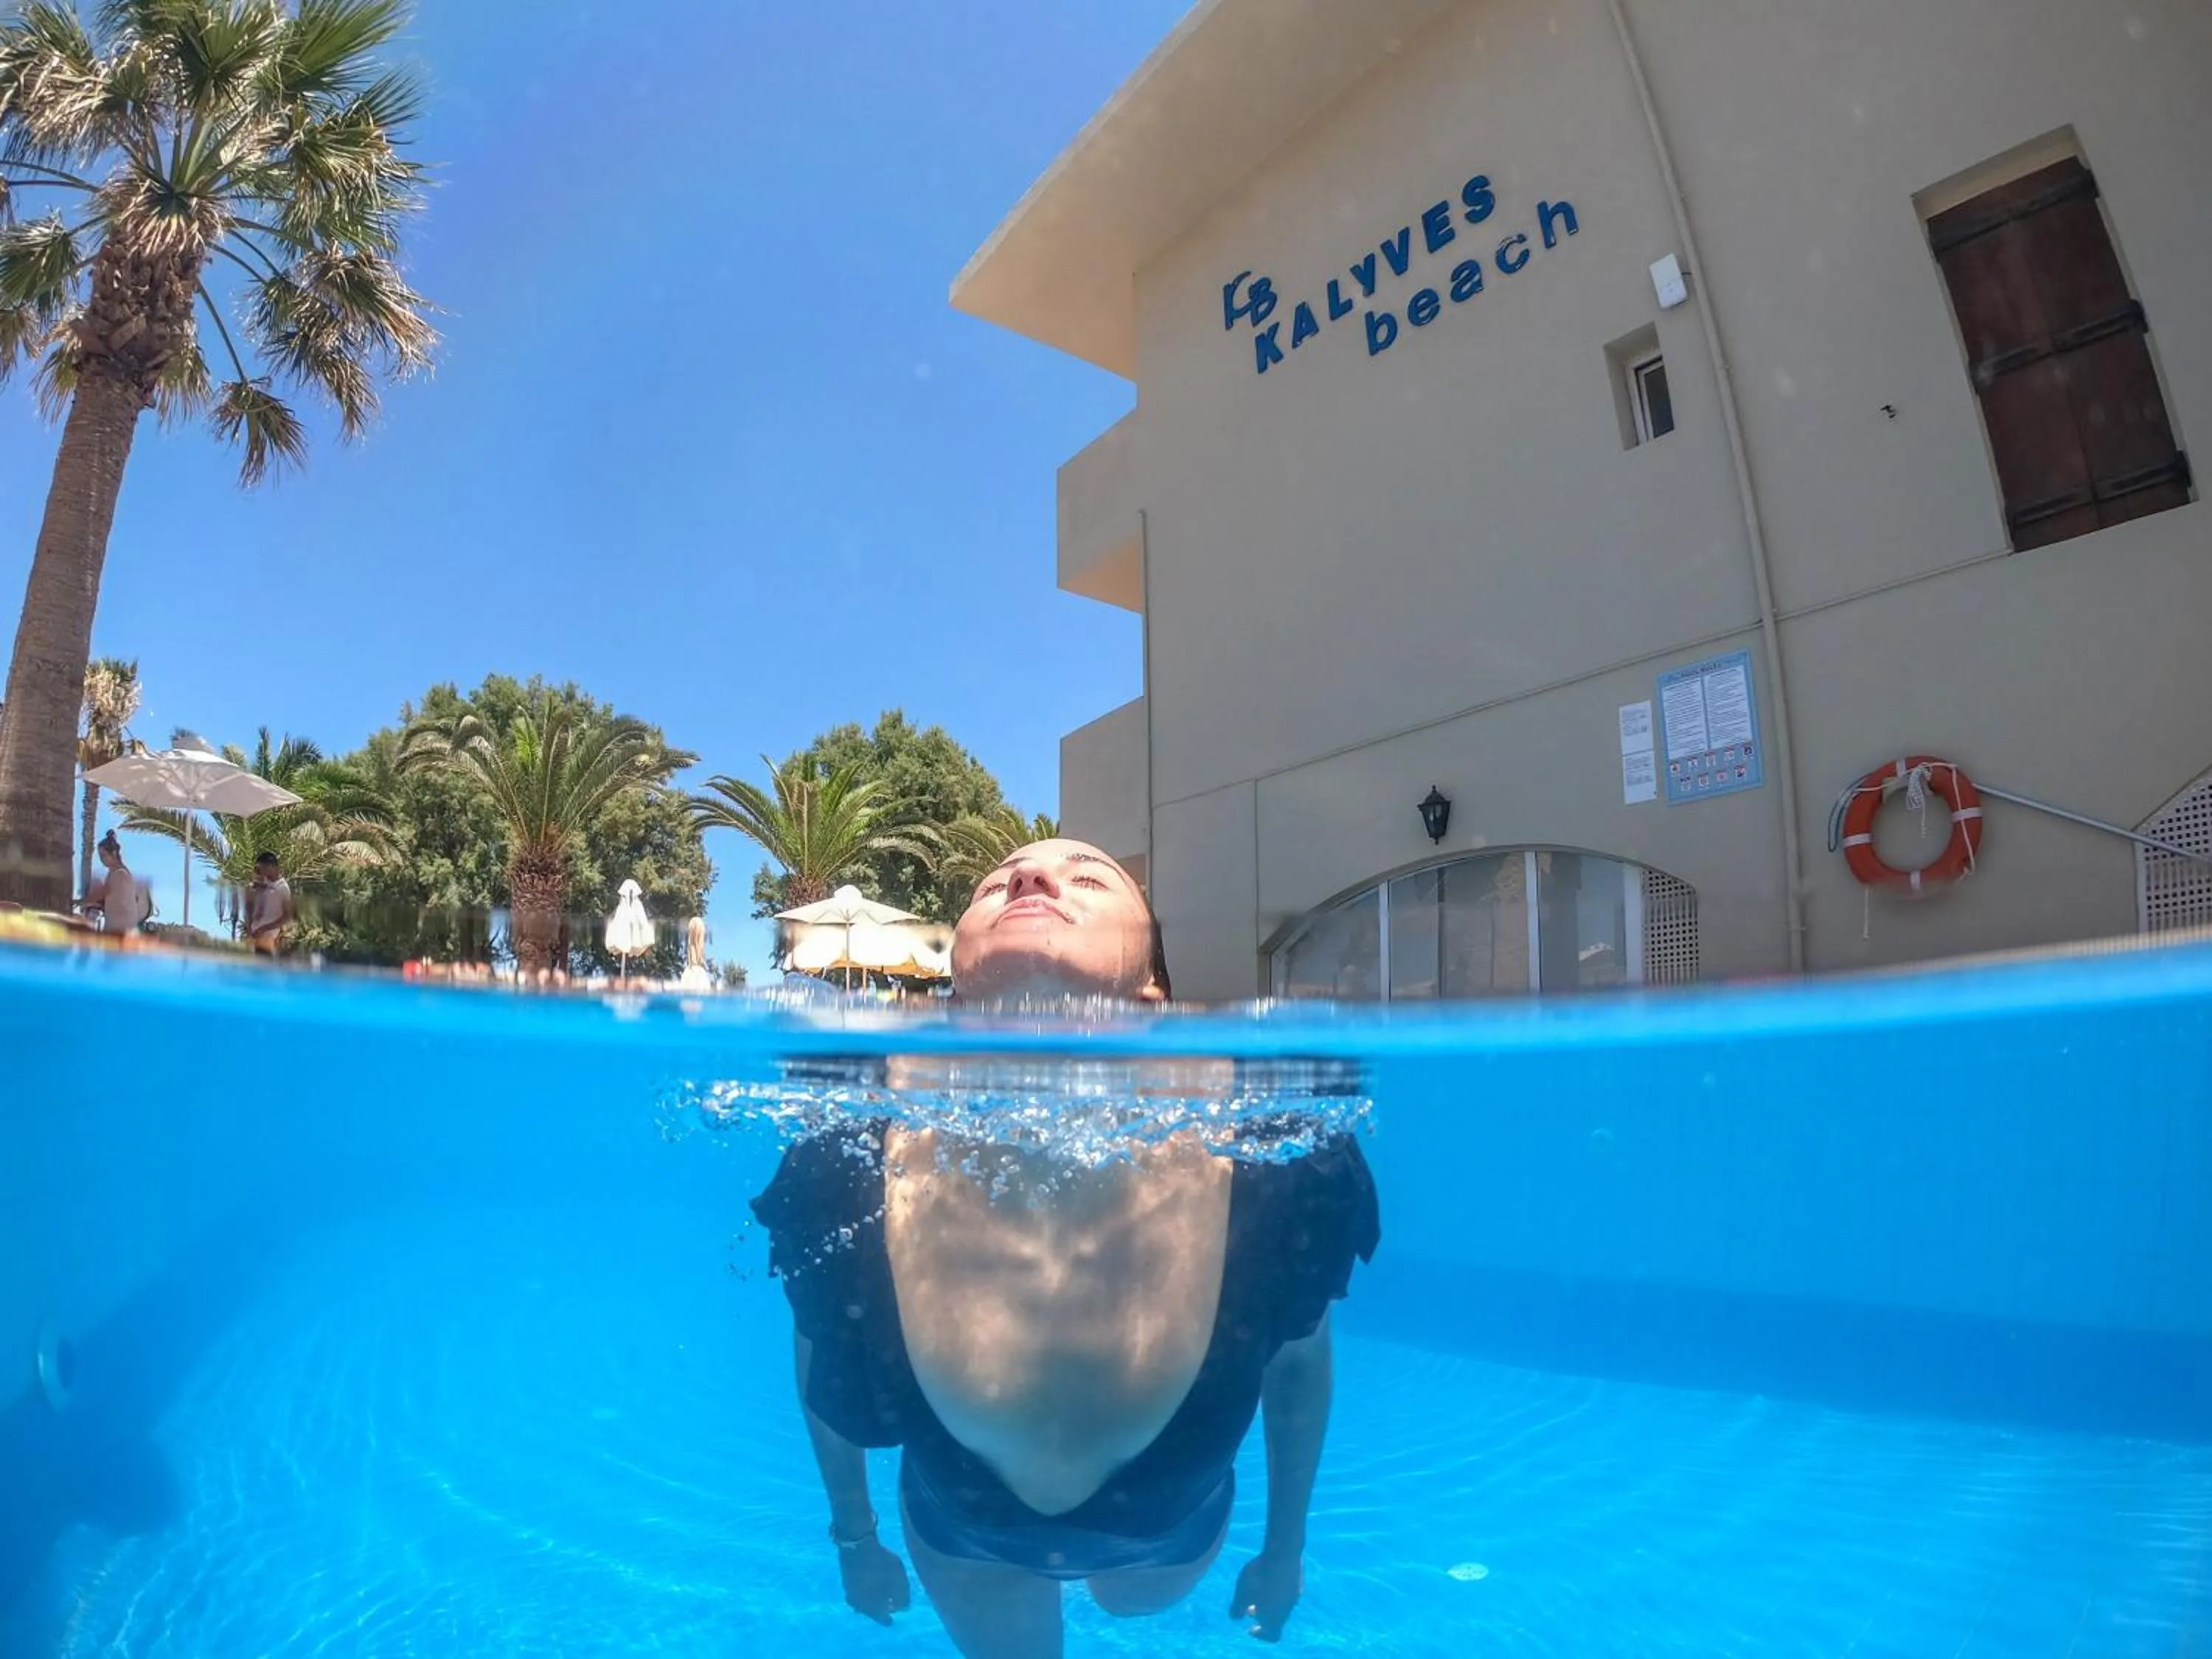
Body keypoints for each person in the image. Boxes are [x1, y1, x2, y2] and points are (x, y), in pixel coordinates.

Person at [752, 839, 1379, 1658]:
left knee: (1134, 1606)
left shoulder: (1275, 1145)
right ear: (958, 977)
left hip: (1167, 1536)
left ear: (1153, 982)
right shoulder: (849, 1153)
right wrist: (854, 1536)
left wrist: (1285, 1549)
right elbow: (819, 1352)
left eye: (1089, 877)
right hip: (960, 1534)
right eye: (991, 886)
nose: (1029, 878)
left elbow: (1299, 1364)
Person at [85, 832, 148, 934]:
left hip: (121, 930)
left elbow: (104, 891)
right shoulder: (114, 873)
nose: (102, 860)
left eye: (104, 855)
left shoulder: (119, 873)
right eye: (100, 856)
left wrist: (84, 902)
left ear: (114, 853)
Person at [243, 851, 293, 956]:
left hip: (267, 937)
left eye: (262, 868)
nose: (261, 872)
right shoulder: (265, 883)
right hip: (255, 935)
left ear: (271, 867)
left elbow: (287, 916)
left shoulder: (283, 888)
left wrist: (264, 929)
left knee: (264, 964)